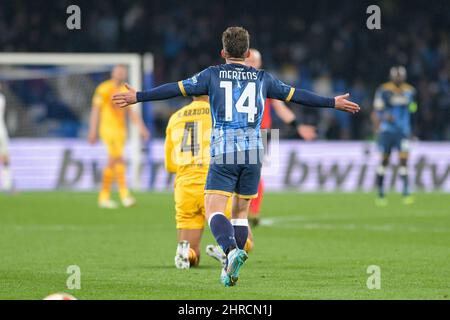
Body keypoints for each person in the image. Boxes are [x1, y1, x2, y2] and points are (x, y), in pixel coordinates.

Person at [113, 26, 359, 286]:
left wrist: (138, 96)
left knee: (213, 209)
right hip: (254, 152)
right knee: (240, 214)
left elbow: (174, 89)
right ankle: (230, 271)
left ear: (223, 52)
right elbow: (298, 95)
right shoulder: (263, 78)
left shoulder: (212, 75)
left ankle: (230, 252)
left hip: (226, 150)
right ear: (247, 52)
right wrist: (332, 102)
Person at [165, 96, 254, 269]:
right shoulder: (222, 115)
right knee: (246, 238)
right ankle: (225, 250)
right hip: (215, 185)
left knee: (194, 254)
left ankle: (185, 253)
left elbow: (170, 164)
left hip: (185, 188)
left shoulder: (175, 117)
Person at [246, 48, 317, 225]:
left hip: (261, 132)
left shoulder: (265, 81)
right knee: (238, 171)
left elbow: (279, 107)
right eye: (248, 61)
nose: (250, 64)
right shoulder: (235, 81)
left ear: (259, 63)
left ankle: (253, 211)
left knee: (253, 171)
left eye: (253, 61)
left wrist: (297, 125)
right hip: (239, 131)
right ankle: (243, 211)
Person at [88, 65, 149, 209]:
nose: (120, 73)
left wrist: (141, 127)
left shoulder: (124, 90)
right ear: (113, 73)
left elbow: (131, 113)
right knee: (116, 159)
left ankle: (104, 196)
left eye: (123, 72)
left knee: (114, 161)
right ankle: (124, 195)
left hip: (121, 131)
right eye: (118, 71)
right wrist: (92, 130)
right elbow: (96, 110)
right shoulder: (103, 88)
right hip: (107, 129)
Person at [372, 66, 417, 206]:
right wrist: (385, 116)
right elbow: (378, 109)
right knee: (384, 161)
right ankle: (380, 192)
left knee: (404, 161)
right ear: (391, 77)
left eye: (400, 76)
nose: (398, 78)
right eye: (396, 76)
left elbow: (414, 108)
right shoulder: (384, 90)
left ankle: (406, 191)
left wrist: (409, 106)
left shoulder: (410, 91)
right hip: (387, 131)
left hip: (403, 131)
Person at [0, 84, 13, 192]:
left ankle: (7, 184)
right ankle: (7, 183)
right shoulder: (2, 98)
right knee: (4, 158)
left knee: (4, 158)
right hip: (1, 132)